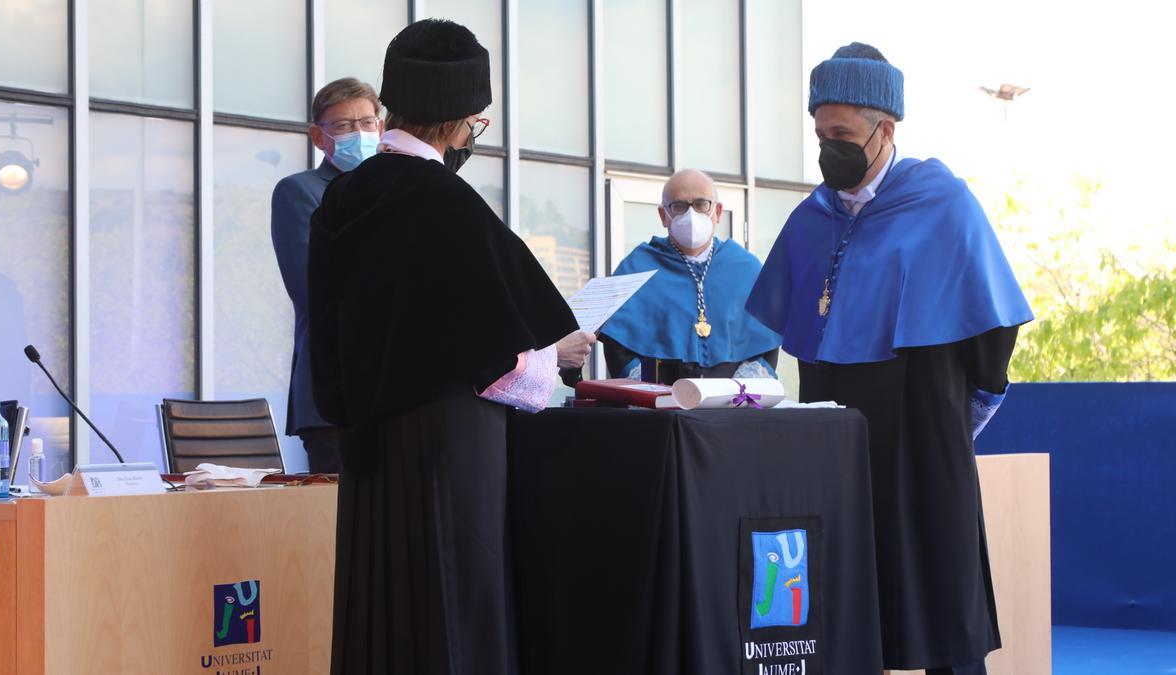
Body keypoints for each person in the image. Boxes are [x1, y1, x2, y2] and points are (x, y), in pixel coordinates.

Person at [307, 20, 595, 675]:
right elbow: (498, 354)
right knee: (454, 603)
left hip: (366, 444)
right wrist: (556, 356)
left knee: (378, 602)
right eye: (475, 123)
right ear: (461, 120)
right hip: (447, 442)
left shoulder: (342, 197)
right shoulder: (445, 203)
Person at [745, 42, 1033, 675]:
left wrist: (964, 413)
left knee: (936, 580)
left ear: (885, 129)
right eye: (820, 133)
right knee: (845, 585)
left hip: (924, 424)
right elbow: (792, 326)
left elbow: (991, 332)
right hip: (837, 432)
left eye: (842, 133)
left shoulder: (942, 203)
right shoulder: (811, 217)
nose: (828, 148)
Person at [271, 77, 383, 473]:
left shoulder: (396, 192)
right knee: (335, 528)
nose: (360, 133)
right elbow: (313, 291)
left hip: (397, 398)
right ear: (318, 137)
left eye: (367, 123)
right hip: (334, 397)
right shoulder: (301, 192)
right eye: (344, 126)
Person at [598, 169, 781, 383]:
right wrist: (650, 391)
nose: (691, 215)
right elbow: (618, 348)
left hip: (732, 404)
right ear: (663, 215)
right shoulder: (636, 268)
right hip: (659, 402)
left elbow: (766, 344)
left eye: (701, 204)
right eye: (679, 206)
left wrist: (739, 393)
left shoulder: (746, 268)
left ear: (718, 212)